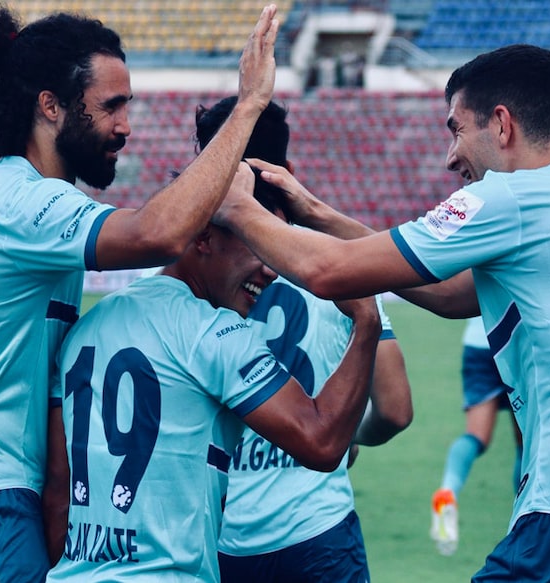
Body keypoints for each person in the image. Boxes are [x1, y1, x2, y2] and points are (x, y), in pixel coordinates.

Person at [216, 44, 550, 581]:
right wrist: (317, 213)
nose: (450, 156)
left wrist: (235, 204)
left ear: (502, 125)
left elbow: (327, 273)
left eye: (457, 129)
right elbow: (450, 293)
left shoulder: (510, 197)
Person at [0, 4, 280, 581]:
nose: (126, 126)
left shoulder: (1, 195)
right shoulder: (20, 203)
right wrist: (247, 108)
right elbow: (157, 234)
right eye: (110, 106)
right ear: (51, 106)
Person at [46, 166, 380, 581]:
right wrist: (367, 320)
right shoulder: (214, 333)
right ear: (203, 237)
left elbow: (58, 496)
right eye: (259, 243)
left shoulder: (85, 331)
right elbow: (322, 441)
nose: (272, 270)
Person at [189, 96, 412, 583]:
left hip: (217, 536)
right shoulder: (342, 264)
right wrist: (340, 429)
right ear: (288, 172)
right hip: (318, 532)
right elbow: (395, 409)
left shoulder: (187, 265)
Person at [430, 315, 521, 557]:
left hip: (478, 342)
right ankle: (523, 519)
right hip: (518, 345)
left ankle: (447, 491)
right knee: (525, 442)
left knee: (476, 434)